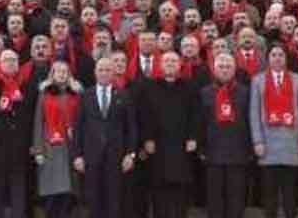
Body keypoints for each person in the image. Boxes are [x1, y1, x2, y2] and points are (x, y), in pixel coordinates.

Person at [70, 56, 138, 218]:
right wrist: (77, 155)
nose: (104, 73)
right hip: (91, 157)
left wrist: (130, 154)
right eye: (100, 69)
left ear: (114, 72)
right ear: (95, 72)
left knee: (115, 199)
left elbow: (132, 128)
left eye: (108, 70)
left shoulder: (124, 95)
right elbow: (78, 127)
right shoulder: (86, 95)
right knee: (94, 199)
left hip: (116, 157)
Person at [249, 45, 298, 218]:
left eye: (280, 55)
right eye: (273, 54)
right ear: (268, 58)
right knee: (270, 196)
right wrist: (257, 141)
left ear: (285, 58)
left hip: (292, 142)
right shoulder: (258, 80)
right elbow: (253, 112)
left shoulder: (297, 80)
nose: (277, 58)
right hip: (267, 145)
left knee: (291, 195)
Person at [138, 51, 199, 218]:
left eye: (174, 61)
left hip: (182, 146)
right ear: (160, 65)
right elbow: (144, 116)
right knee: (159, 193)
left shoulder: (189, 87)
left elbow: (196, 114)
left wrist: (193, 137)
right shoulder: (149, 87)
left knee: (180, 193)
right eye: (167, 61)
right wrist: (147, 139)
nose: (170, 64)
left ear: (180, 65)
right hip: (158, 147)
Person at [0, 49, 35, 218]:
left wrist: (33, 143)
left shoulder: (28, 86)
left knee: (18, 186)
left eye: (13, 60)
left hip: (21, 143)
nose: (10, 63)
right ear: (0, 64)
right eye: (6, 60)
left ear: (18, 64)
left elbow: (33, 116)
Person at [198, 52, 252, 218]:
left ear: (235, 69)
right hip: (213, 153)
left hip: (238, 152)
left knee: (236, 199)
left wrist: (250, 148)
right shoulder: (204, 93)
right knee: (215, 199)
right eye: (221, 66)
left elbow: (250, 120)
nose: (224, 69)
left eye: (228, 66)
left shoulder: (245, 92)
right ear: (214, 69)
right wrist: (201, 148)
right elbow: (200, 122)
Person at [31, 60, 83, 218]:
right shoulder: (44, 94)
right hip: (50, 148)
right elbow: (38, 122)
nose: (61, 74)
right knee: (51, 193)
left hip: (71, 148)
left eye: (64, 71)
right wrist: (38, 150)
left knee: (69, 193)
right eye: (58, 71)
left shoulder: (77, 94)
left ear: (69, 75)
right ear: (52, 74)